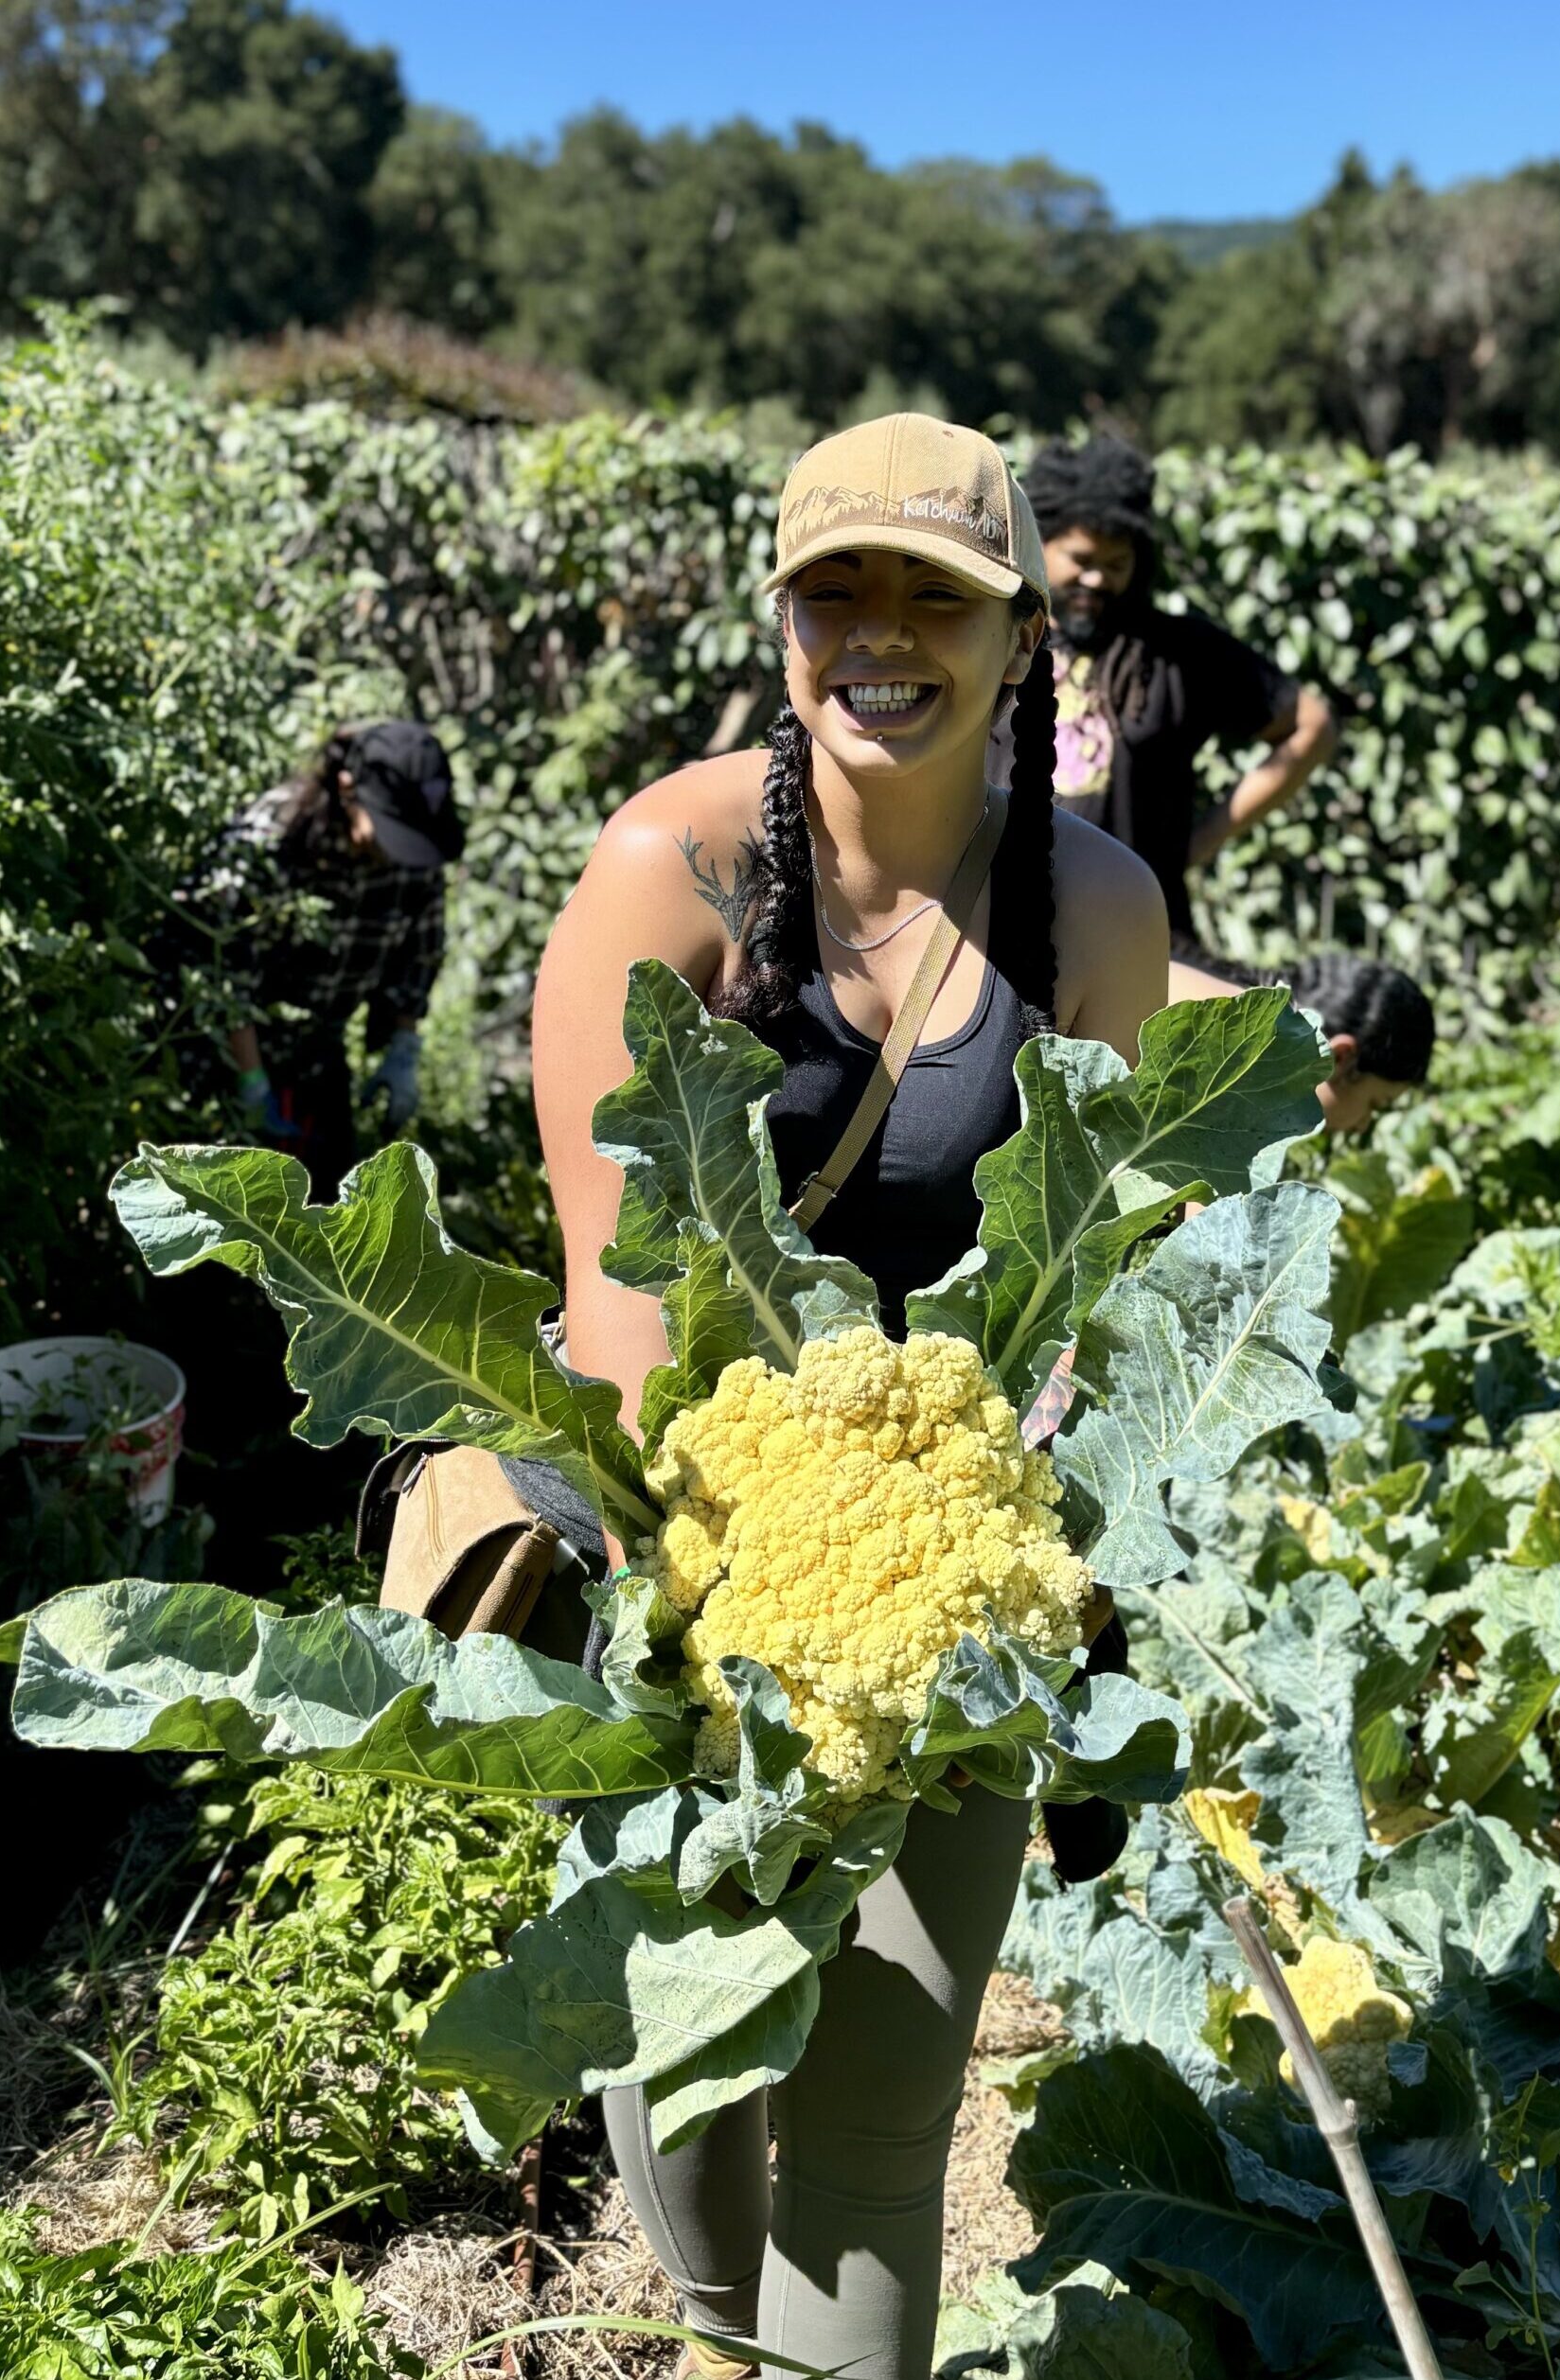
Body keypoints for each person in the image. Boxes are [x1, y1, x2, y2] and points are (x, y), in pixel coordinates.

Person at [529, 413, 1166, 2380]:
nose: (882, 633)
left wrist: (1022, 1545)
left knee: (884, 2128)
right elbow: (618, 1305)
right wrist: (730, 1607)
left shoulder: (1102, 912)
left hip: (950, 1591)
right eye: (839, 589)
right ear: (782, 613)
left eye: (938, 597)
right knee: (684, 2068)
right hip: (684, 1552)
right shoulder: (671, 865)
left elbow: (1091, 1287)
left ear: (1021, 634)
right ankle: (720, 2325)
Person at [992, 433, 1338, 944]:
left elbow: (1313, 724)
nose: (1096, 580)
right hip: (1001, 932)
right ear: (1042, 547)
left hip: (1143, 939)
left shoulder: (1179, 652)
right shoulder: (998, 638)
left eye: (1116, 565)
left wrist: (1204, 838)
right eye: (1082, 560)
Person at [171, 720, 462, 1197]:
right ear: (348, 790)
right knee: (229, 1217)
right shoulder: (273, 840)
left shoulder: (416, 858)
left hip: (318, 1049)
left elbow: (418, 954)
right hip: (223, 1051)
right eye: (391, 833)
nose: (398, 853)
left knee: (331, 1218)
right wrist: (251, 1083)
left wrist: (402, 1050)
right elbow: (221, 968)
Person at [1172, 944, 1436, 1137]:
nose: (1362, 1125)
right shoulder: (1241, 1060)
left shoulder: (1233, 1000)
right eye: (1373, 1104)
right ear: (1340, 1057)